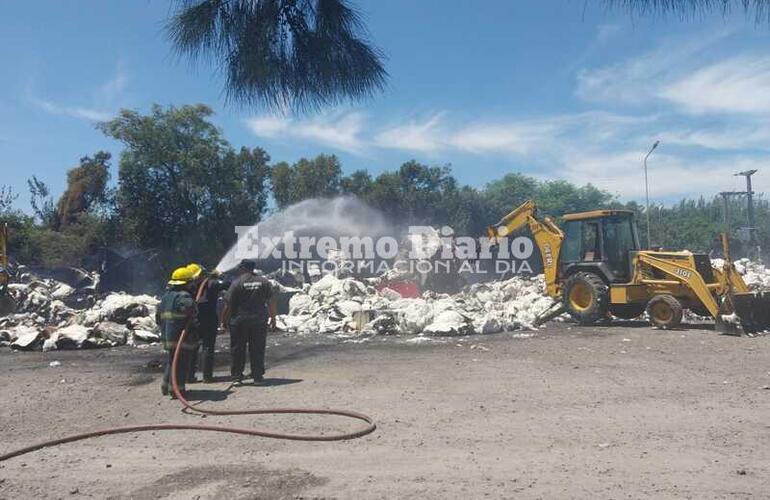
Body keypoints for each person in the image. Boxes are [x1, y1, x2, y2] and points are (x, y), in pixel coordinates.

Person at [220, 260, 277, 385]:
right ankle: (257, 377)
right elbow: (271, 301)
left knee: (237, 349)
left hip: (239, 321)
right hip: (259, 321)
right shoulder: (264, 281)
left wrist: (222, 322)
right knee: (257, 348)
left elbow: (227, 305)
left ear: (243, 268)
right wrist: (273, 319)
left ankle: (237, 377)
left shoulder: (236, 283)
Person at [156, 266, 198, 398]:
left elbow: (158, 318)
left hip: (168, 336)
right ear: (186, 283)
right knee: (181, 363)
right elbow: (189, 307)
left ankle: (166, 386)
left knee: (172, 361)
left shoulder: (166, 297)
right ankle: (177, 390)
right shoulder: (183, 295)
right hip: (181, 336)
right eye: (191, 283)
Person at [192, 267, 229, 383]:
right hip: (208, 320)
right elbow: (228, 284)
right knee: (207, 347)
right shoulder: (212, 283)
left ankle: (188, 376)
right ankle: (207, 377)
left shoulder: (190, 285)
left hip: (193, 321)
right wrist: (221, 276)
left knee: (191, 348)